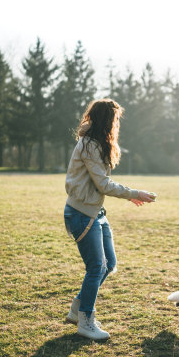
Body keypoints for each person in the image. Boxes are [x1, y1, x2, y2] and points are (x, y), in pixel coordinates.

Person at [64, 98, 155, 340]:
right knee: (96, 267)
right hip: (82, 213)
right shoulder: (90, 145)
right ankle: (85, 320)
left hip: (95, 212)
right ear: (107, 120)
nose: (117, 123)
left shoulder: (98, 144)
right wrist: (135, 194)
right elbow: (103, 184)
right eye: (115, 119)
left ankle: (77, 307)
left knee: (109, 264)